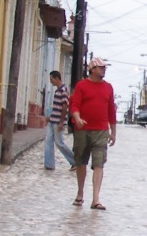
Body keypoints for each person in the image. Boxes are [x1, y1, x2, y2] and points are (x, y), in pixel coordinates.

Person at [69, 58, 117, 210]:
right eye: (101, 68)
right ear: (92, 69)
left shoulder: (108, 87)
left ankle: (96, 198)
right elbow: (75, 105)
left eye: (104, 68)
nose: (104, 70)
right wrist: (77, 118)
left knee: (99, 163)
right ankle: (80, 192)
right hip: (82, 130)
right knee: (81, 161)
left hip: (101, 130)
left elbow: (111, 110)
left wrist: (113, 131)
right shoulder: (82, 85)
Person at [43, 70, 75, 171]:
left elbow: (65, 107)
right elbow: (57, 107)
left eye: (51, 79)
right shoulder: (57, 91)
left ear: (56, 78)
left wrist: (61, 122)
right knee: (48, 142)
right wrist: (50, 118)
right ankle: (49, 164)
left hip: (58, 122)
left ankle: (75, 161)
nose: (51, 81)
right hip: (53, 121)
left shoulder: (63, 90)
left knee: (59, 143)